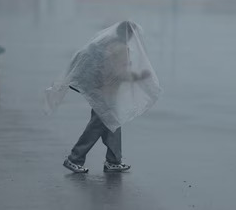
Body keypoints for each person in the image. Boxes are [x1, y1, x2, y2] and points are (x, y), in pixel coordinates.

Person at [46, 21, 160, 173]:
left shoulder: (109, 44)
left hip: (104, 93)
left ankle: (113, 160)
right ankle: (74, 158)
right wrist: (140, 76)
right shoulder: (120, 49)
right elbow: (118, 74)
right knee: (95, 128)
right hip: (107, 96)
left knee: (113, 125)